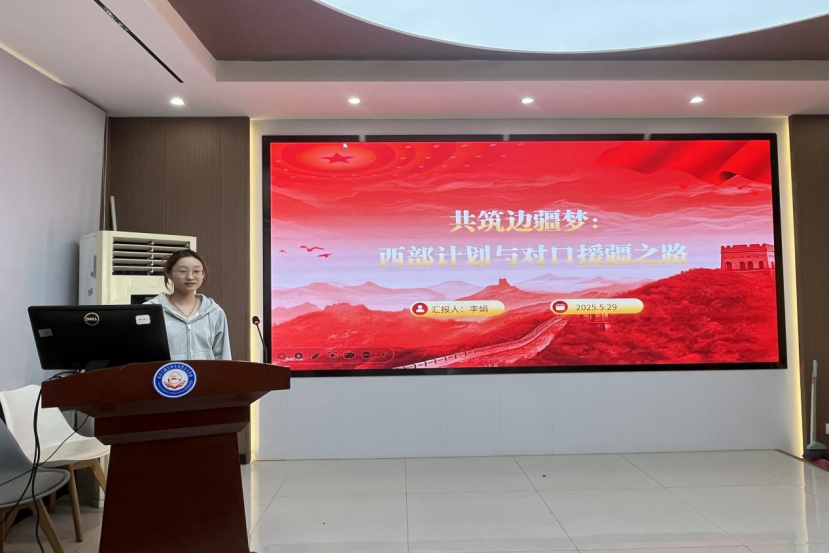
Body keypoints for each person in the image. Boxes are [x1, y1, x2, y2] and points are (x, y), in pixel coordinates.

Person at [145, 249, 231, 360]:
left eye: (196, 271)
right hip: (167, 372)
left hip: (205, 372)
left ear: (203, 274)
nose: (190, 277)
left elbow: (223, 357)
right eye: (182, 271)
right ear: (168, 273)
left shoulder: (215, 312)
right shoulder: (151, 311)